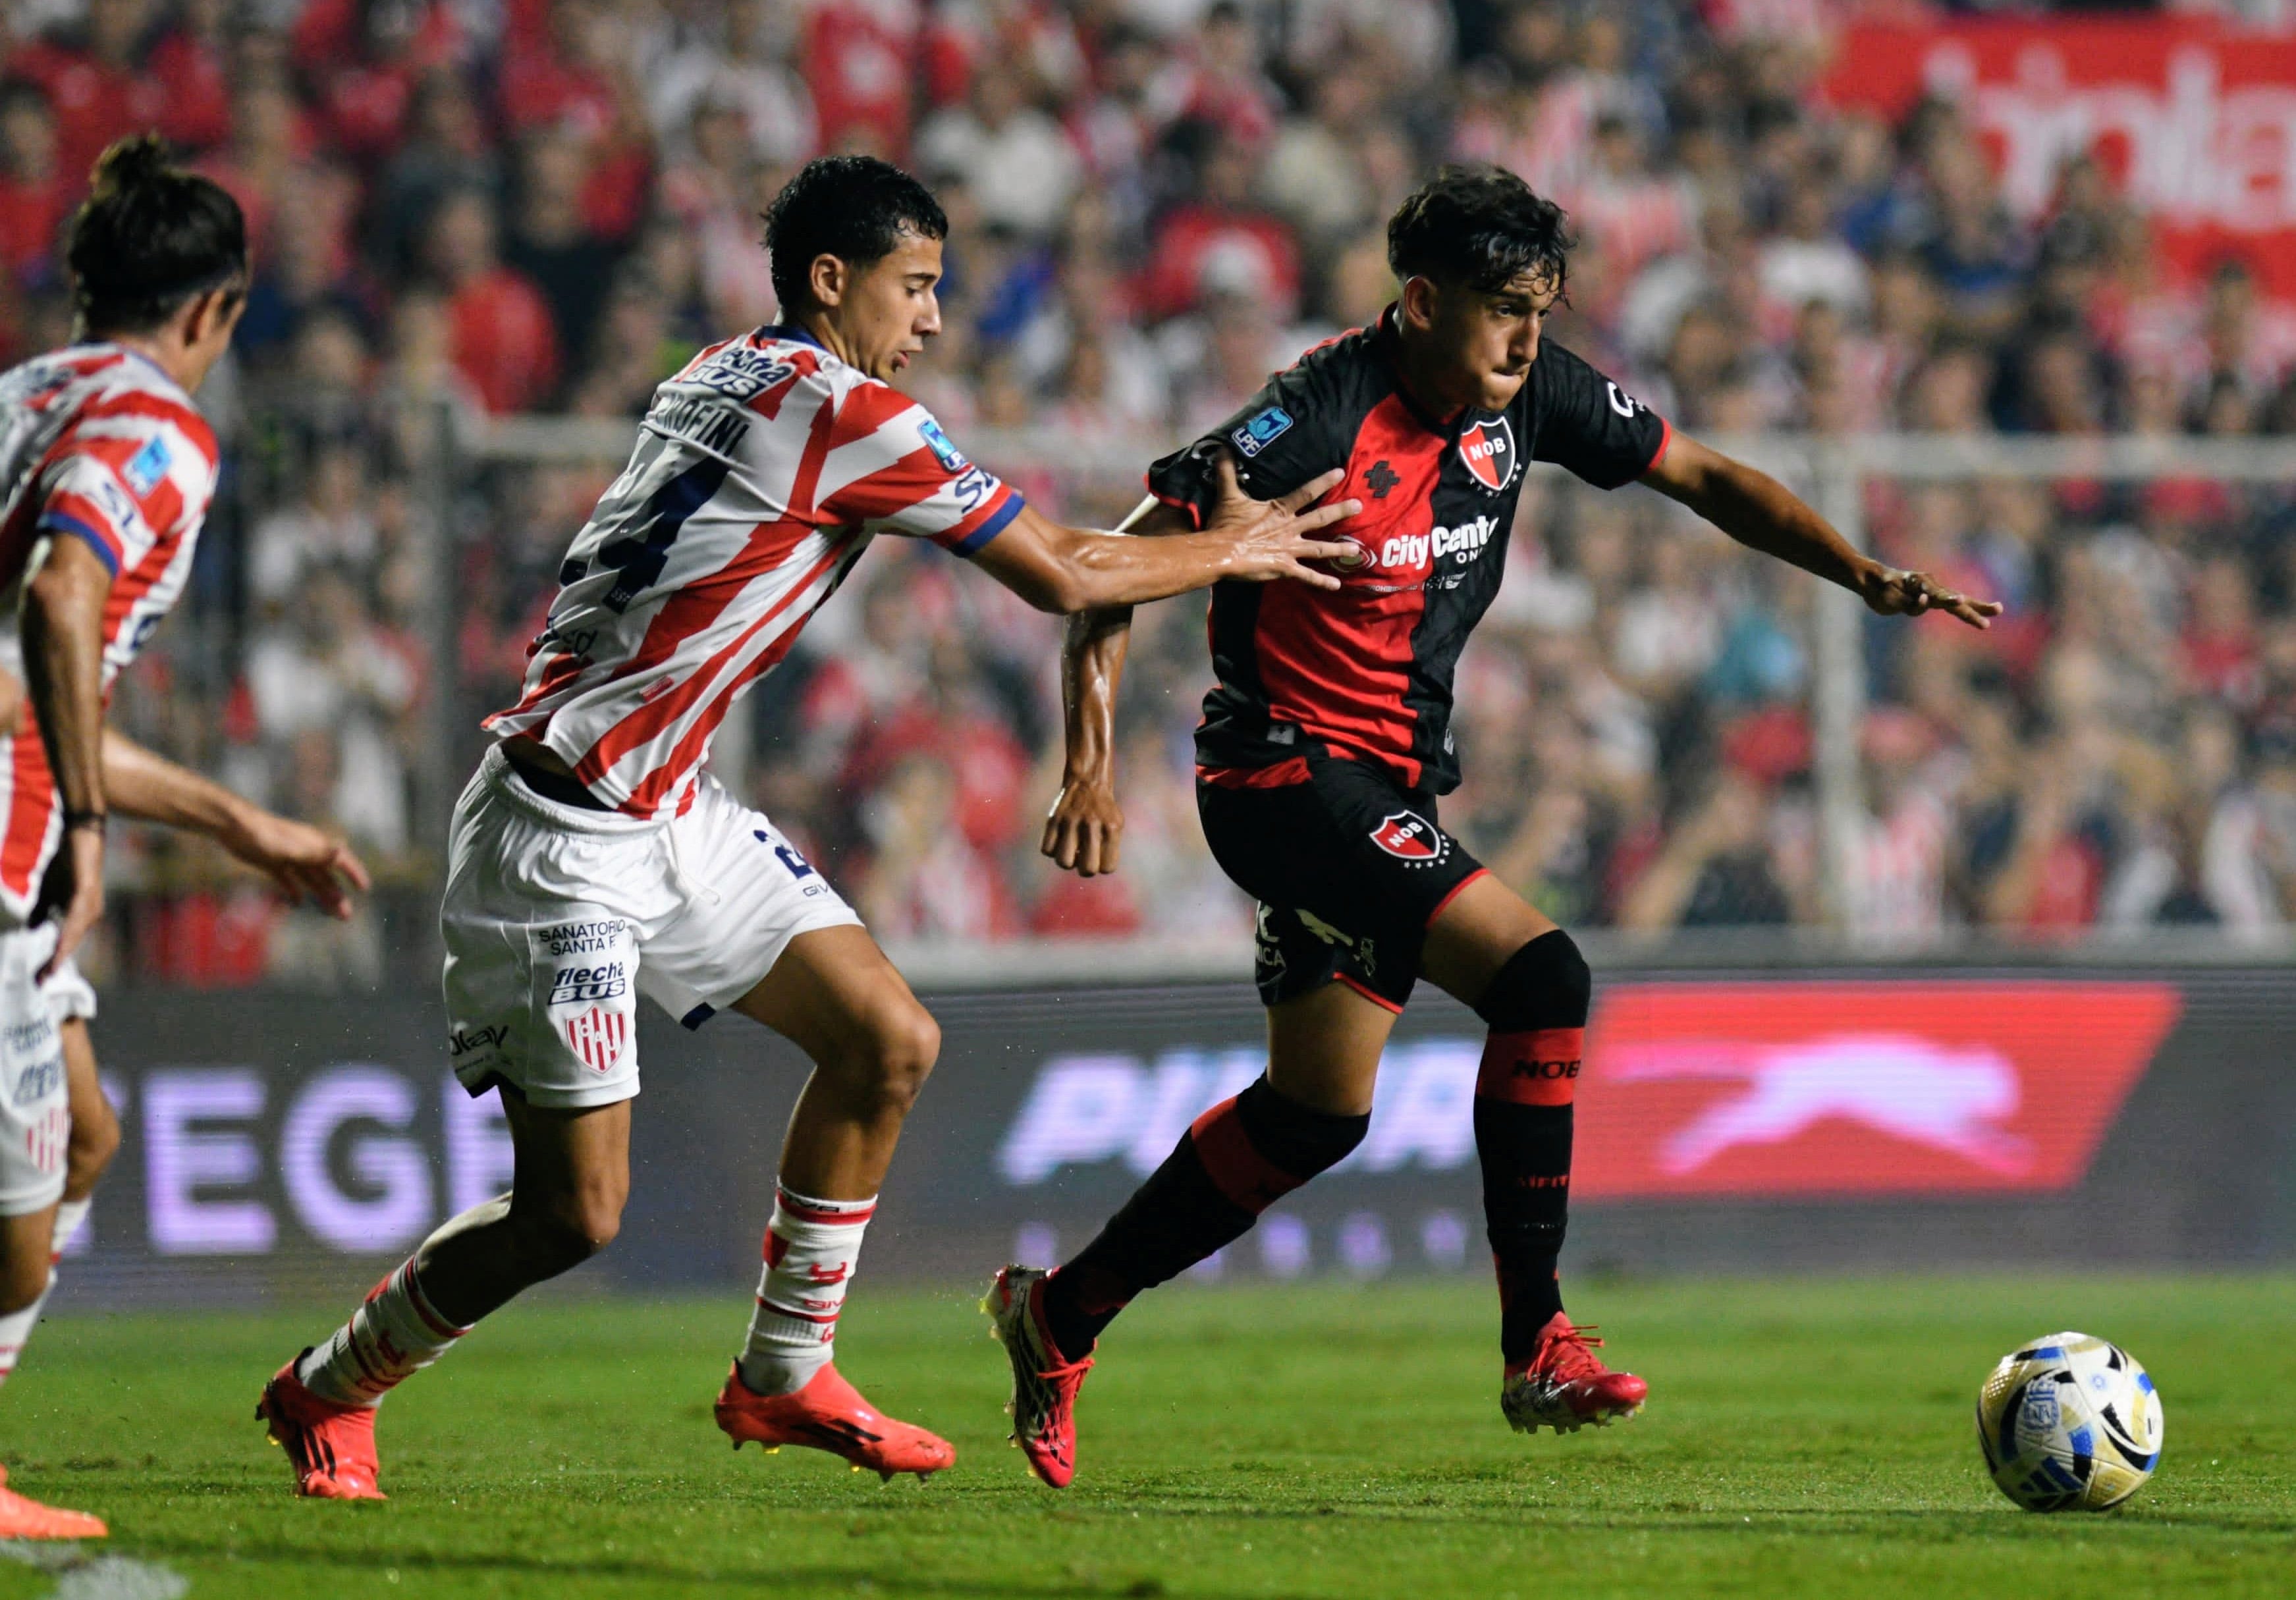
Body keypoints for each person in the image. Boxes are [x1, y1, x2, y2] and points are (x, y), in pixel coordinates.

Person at [258, 154, 1361, 1501]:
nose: (935, 321)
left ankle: (783, 1371)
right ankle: (330, 1387)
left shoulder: (728, 367)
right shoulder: (848, 412)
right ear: (832, 282)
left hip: (667, 804)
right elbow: (1063, 571)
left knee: (886, 1039)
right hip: (562, 837)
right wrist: (1235, 554)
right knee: (573, 1214)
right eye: (916, 287)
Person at [989, 165, 2002, 1489]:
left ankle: (1058, 1315)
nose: (1531, 336)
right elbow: (1102, 572)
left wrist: (1857, 570)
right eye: (1505, 309)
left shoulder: (1530, 399)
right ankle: (1540, 1341)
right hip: (1279, 775)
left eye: (1545, 307)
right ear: (1422, 302)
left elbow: (1700, 473)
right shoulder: (1308, 419)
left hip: (1384, 793)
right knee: (1545, 975)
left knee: (1317, 1115)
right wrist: (1087, 767)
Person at [0, 134, 287, 1537]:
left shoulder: (24, 395)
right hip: (7, 852)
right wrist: (93, 825)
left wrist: (237, 822)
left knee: (92, 1133)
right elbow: (65, 601)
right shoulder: (158, 429)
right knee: (20, 1203)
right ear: (209, 313)